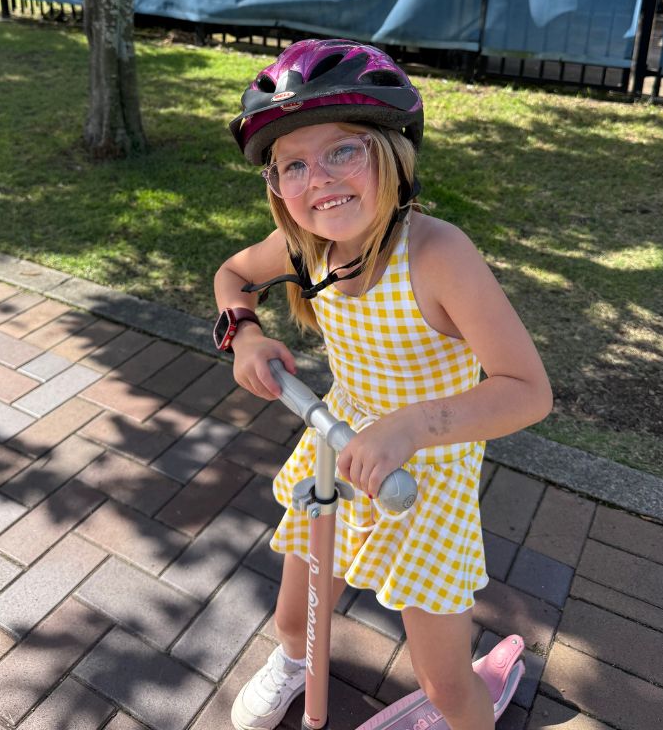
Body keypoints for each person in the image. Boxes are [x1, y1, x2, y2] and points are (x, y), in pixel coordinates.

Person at [214, 38, 552, 730]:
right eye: (294, 166)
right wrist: (244, 332)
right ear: (277, 186)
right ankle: (292, 663)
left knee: (442, 678)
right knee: (294, 614)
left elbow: (526, 390)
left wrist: (405, 428)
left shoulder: (437, 255)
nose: (320, 180)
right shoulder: (309, 246)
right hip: (339, 447)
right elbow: (231, 277)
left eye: (344, 151)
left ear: (391, 153)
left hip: (423, 470)